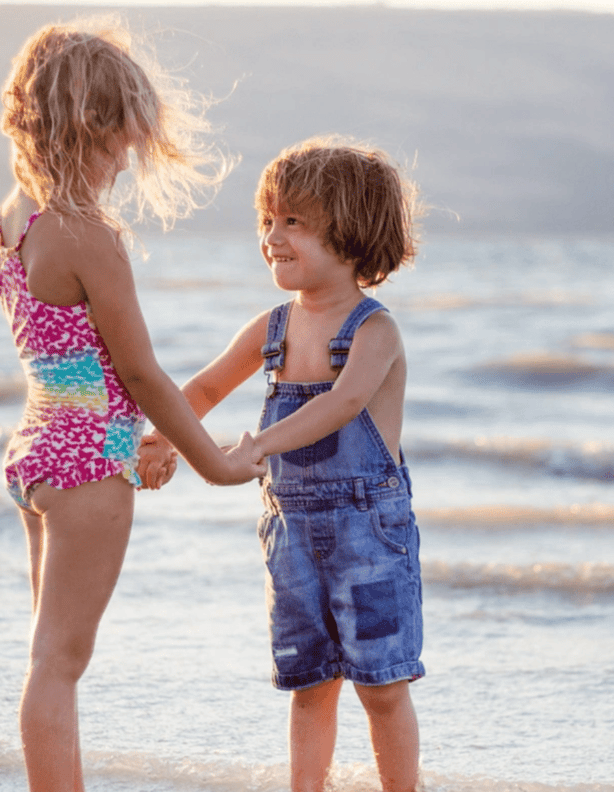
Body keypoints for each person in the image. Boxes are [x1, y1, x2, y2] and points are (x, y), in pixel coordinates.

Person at [0, 18, 264, 792]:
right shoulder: (89, 237)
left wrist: (94, 414)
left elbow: (32, 328)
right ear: (88, 130)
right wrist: (218, 462)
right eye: (122, 144)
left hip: (34, 455)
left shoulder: (13, 222)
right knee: (60, 665)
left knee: (49, 657)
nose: (127, 161)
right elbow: (140, 375)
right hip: (86, 473)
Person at [140, 136, 425, 792]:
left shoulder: (374, 331)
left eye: (293, 221)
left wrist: (258, 446)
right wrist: (162, 439)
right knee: (309, 684)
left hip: (369, 539)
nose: (272, 235)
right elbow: (204, 391)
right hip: (292, 537)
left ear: (349, 233)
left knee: (381, 687)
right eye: (267, 220)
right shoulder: (271, 328)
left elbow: (344, 404)